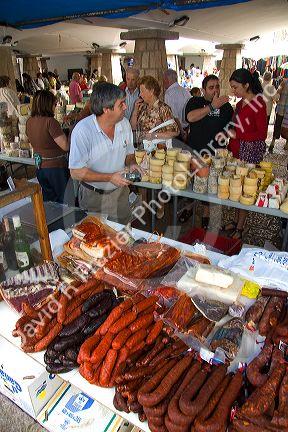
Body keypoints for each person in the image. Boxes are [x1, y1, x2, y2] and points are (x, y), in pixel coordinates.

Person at [69, 82, 141, 224]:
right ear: (107, 109)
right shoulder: (83, 130)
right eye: (121, 104)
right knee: (96, 239)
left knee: (123, 237)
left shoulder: (125, 124)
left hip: (120, 195)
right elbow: (75, 172)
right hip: (93, 198)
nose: (126, 107)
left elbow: (129, 154)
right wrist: (109, 177)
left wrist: (132, 164)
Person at [185, 74, 233, 229]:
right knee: (191, 184)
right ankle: (189, 208)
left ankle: (206, 215)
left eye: (217, 86)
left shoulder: (226, 107)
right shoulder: (195, 101)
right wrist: (212, 106)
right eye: (211, 87)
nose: (215, 90)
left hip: (215, 154)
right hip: (195, 151)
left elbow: (230, 129)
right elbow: (190, 118)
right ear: (203, 90)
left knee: (211, 186)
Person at [227, 68, 268, 239]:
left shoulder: (259, 103)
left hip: (250, 153)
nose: (233, 91)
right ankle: (237, 221)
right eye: (232, 87)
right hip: (236, 149)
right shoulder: (240, 103)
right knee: (236, 186)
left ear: (246, 85)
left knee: (245, 189)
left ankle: (241, 227)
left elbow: (262, 134)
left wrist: (238, 134)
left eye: (235, 87)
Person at [26, 90, 71, 204]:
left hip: (40, 166)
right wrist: (71, 130)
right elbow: (65, 146)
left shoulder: (29, 121)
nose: (55, 107)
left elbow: (31, 143)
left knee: (49, 201)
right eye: (54, 104)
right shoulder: (50, 122)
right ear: (48, 104)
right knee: (65, 200)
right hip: (55, 168)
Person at [130, 75, 179, 141]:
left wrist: (154, 135)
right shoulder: (142, 107)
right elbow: (133, 127)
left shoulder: (163, 108)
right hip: (141, 148)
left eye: (142, 91)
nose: (140, 94)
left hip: (157, 149)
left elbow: (175, 132)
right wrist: (135, 110)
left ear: (151, 91)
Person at [163, 69, 191, 136]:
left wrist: (182, 132)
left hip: (178, 131)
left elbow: (173, 116)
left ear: (166, 80)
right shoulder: (186, 91)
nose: (163, 83)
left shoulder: (168, 94)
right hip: (187, 129)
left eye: (163, 80)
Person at [269, 77, 288, 152]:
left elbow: (277, 94)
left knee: (277, 125)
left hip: (281, 109)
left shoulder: (283, 82)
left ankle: (272, 142)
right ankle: (287, 144)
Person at [262, 71, 278, 139]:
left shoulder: (260, 85)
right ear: (270, 78)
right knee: (265, 126)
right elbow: (276, 98)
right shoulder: (271, 87)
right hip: (267, 110)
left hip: (258, 110)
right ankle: (262, 141)